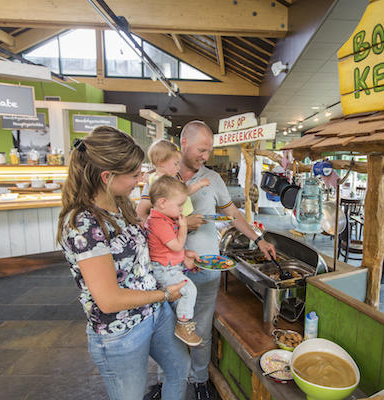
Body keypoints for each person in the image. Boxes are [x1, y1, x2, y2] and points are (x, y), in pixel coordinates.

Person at [57, 126, 196, 400]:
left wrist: (179, 255)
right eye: (134, 175)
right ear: (108, 177)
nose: (141, 179)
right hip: (120, 331)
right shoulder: (84, 224)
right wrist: (166, 294)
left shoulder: (120, 204)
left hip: (153, 313)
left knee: (180, 368)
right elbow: (108, 300)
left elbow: (139, 249)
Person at [179, 120, 276, 399]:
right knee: (167, 330)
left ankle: (198, 380)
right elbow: (146, 221)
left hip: (208, 268)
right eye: (201, 150)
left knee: (202, 328)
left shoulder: (214, 179)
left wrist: (258, 238)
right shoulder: (164, 177)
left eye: (209, 151)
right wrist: (184, 222)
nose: (205, 157)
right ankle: (169, 380)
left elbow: (232, 214)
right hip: (172, 270)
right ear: (184, 142)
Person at [145, 175, 202, 346]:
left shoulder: (163, 219)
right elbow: (176, 246)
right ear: (162, 202)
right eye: (179, 205)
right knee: (190, 291)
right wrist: (184, 227)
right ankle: (183, 326)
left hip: (168, 267)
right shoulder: (159, 222)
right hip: (164, 269)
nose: (182, 209)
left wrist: (185, 255)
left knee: (184, 294)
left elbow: (168, 248)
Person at [137, 139, 210, 223]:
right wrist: (200, 184)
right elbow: (186, 190)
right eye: (175, 164)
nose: (178, 168)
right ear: (161, 163)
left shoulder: (166, 178)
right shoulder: (158, 183)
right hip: (174, 223)